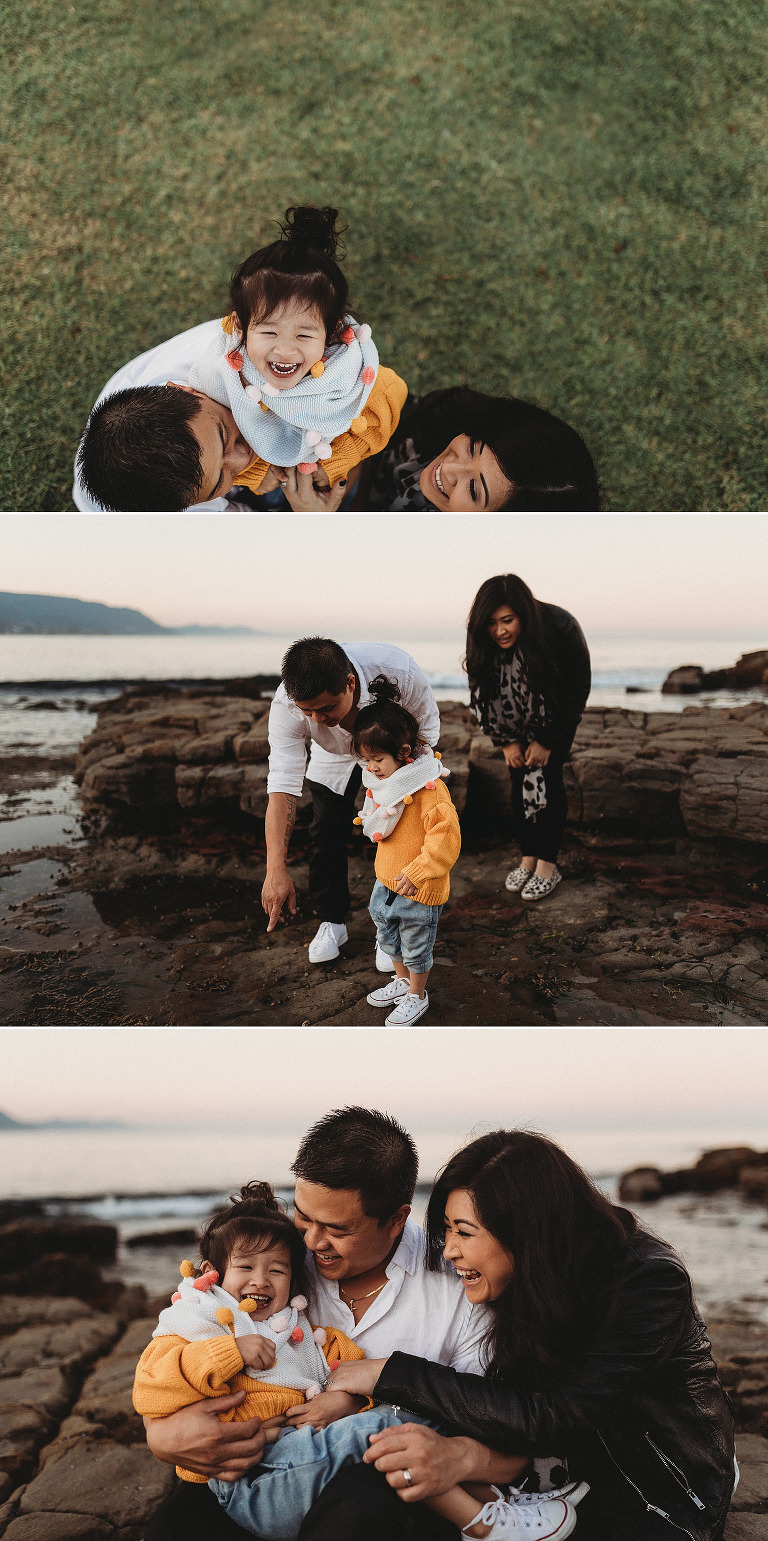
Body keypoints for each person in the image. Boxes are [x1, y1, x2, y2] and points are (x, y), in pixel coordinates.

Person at [142, 1108, 535, 1541]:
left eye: (335, 1229)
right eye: (304, 1217)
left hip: (380, 1492)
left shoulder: (458, 1288)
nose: (311, 1242)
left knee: (359, 1507)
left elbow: (504, 1430)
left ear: (396, 1220)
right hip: (253, 1473)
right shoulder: (276, 1265)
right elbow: (178, 1348)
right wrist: (161, 1435)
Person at [329, 1130, 737, 1541]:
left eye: (464, 1232)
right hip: (535, 1480)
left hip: (648, 1495)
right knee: (372, 1486)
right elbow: (505, 1403)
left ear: (526, 1230)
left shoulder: (648, 1282)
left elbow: (557, 1416)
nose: (449, 1250)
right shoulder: (518, 1276)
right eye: (447, 1229)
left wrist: (390, 1374)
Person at [72, 208, 406, 514]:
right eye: (221, 479)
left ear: (186, 389)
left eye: (223, 434)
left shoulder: (228, 356)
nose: (245, 457)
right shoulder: (177, 515)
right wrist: (309, 520)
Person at [186, 205, 407, 505]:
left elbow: (390, 403)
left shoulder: (345, 372)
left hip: (327, 486)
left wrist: (335, 462)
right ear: (241, 326)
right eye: (268, 333)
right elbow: (213, 441)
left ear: (330, 333)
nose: (285, 351)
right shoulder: (227, 367)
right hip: (266, 488)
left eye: (304, 335)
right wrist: (253, 473)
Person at [262, 638, 441, 967]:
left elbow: (425, 731)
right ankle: (332, 921)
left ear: (350, 683)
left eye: (327, 708)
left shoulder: (399, 672)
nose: (317, 719)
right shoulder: (287, 705)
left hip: (391, 750)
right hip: (331, 756)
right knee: (324, 829)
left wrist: (393, 784)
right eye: (308, 711)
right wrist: (275, 869)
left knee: (400, 834)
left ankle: (395, 927)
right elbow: (282, 785)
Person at [465, 574, 591, 902]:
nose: (500, 631)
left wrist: (547, 740)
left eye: (508, 620)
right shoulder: (482, 634)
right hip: (509, 718)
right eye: (492, 623)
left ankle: (548, 865)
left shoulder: (560, 628)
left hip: (556, 711)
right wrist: (504, 741)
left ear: (524, 614)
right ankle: (528, 856)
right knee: (518, 775)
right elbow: (480, 684)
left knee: (547, 776)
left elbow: (576, 688)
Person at [350, 677, 461, 1026]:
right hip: (387, 880)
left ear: (403, 753)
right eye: (366, 760)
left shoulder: (430, 791)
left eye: (377, 759)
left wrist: (417, 873)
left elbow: (445, 841)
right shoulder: (387, 786)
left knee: (415, 944)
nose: (371, 768)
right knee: (389, 936)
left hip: (419, 887)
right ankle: (401, 982)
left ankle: (417, 995)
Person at [297, 385, 600, 511]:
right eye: (474, 448)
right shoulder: (448, 417)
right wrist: (357, 457)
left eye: (473, 490)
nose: (450, 467)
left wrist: (317, 521)